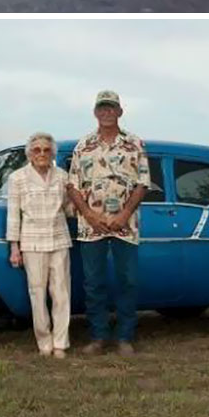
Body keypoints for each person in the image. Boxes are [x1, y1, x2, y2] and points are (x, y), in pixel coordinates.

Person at [67, 90, 150, 356]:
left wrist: (124, 214)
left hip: (126, 225)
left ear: (119, 111)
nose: (106, 112)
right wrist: (90, 215)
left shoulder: (134, 144)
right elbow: (73, 186)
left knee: (128, 280)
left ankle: (125, 336)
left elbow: (142, 183)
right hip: (91, 227)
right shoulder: (84, 145)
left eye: (111, 108)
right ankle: (98, 336)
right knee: (93, 282)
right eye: (102, 108)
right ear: (95, 112)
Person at [6, 131, 73, 357]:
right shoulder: (17, 178)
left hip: (60, 239)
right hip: (32, 242)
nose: (42, 154)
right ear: (30, 154)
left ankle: (60, 343)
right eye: (37, 150)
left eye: (46, 150)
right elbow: (13, 215)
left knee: (61, 293)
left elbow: (68, 208)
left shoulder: (62, 176)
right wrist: (14, 248)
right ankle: (44, 342)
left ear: (52, 153)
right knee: (37, 294)